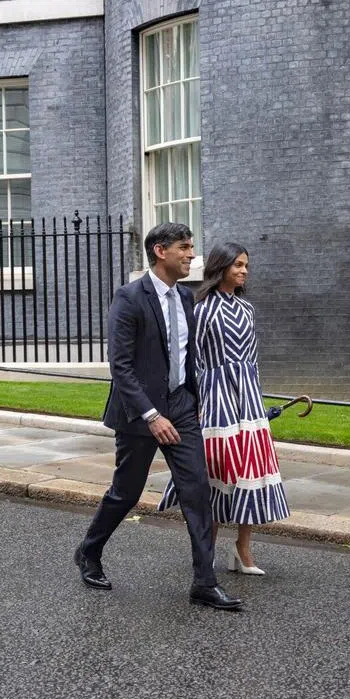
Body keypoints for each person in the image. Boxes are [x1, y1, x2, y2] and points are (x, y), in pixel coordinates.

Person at [74, 223, 243, 612]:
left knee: (197, 491)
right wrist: (152, 415)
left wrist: (193, 399)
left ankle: (205, 582)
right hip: (139, 414)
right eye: (184, 248)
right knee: (126, 493)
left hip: (181, 408)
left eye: (191, 247)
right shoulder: (130, 297)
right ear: (160, 251)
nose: (191, 255)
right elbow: (121, 366)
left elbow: (186, 356)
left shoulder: (187, 298)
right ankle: (88, 551)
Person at [158, 242, 289, 575]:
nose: (244, 271)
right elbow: (194, 360)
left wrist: (256, 399)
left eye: (246, 265)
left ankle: (243, 550)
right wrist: (198, 403)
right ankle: (207, 551)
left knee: (254, 469)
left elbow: (253, 359)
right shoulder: (202, 309)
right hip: (216, 399)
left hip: (247, 397)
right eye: (237, 265)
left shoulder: (247, 310)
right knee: (217, 472)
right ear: (221, 267)